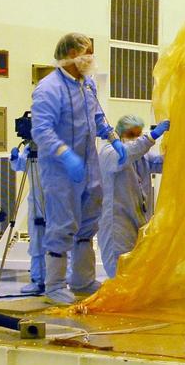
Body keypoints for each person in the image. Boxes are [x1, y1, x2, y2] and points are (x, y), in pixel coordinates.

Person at [31, 33, 125, 304]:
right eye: (88, 52)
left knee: (88, 222)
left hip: (89, 166)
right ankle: (54, 286)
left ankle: (82, 280)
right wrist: (66, 155)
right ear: (72, 53)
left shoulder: (87, 85)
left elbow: (98, 116)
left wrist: (113, 139)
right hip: (61, 171)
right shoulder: (49, 89)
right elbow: (42, 131)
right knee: (62, 225)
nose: (91, 58)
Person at [97, 115, 169, 277]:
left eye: (138, 134)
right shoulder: (109, 153)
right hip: (117, 222)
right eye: (131, 135)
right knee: (119, 270)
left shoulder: (142, 157)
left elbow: (163, 164)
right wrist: (151, 137)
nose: (135, 139)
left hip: (138, 221)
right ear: (120, 134)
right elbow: (129, 152)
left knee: (136, 270)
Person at [9, 142, 46, 295]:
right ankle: (37, 280)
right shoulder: (29, 149)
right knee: (36, 244)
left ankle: (57, 280)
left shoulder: (52, 143)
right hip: (35, 203)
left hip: (54, 201)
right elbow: (19, 166)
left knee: (57, 243)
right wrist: (14, 158)